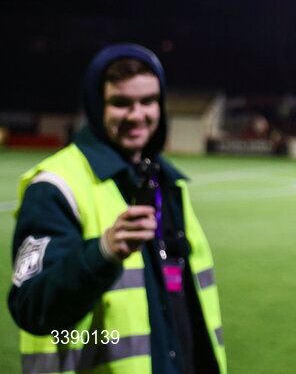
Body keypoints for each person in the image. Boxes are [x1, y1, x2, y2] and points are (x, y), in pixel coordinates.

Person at [9, 43, 227, 374]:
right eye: (121, 103)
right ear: (97, 107)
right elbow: (31, 307)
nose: (137, 115)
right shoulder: (55, 187)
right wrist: (102, 253)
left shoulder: (168, 184)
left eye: (148, 101)